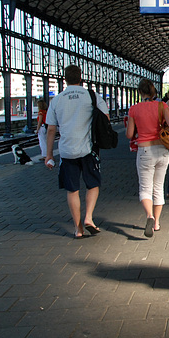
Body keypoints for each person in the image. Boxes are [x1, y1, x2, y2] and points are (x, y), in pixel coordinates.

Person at [45, 65, 108, 239]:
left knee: (72, 190)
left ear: (64, 79)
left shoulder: (56, 100)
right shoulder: (92, 96)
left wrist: (49, 154)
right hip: (89, 149)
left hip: (66, 151)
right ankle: (88, 217)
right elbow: (105, 119)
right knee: (93, 184)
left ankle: (78, 228)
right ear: (81, 78)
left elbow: (51, 129)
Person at [126, 79, 169, 237]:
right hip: (161, 149)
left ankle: (149, 215)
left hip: (145, 150)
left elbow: (128, 134)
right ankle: (156, 223)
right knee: (158, 187)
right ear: (154, 92)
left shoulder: (134, 109)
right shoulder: (162, 106)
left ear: (140, 92)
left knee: (145, 188)